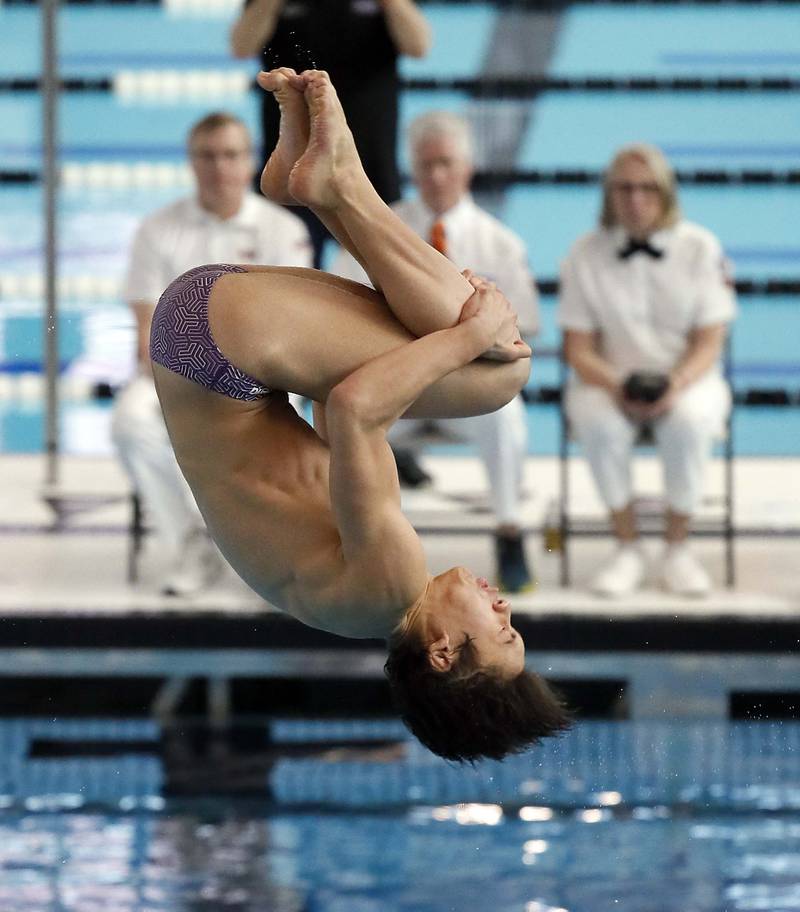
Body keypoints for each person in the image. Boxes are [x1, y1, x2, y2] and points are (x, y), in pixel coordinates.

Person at [151, 68, 570, 761]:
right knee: (468, 351)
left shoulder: (395, 582)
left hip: (224, 345)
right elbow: (323, 414)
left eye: (503, 631)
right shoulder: (354, 607)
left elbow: (351, 408)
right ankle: (316, 188)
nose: (505, 606)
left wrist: (465, 337)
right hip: (201, 339)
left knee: (500, 370)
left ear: (441, 653)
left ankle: (337, 189)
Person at [332, 110, 539, 593]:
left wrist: (478, 344)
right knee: (333, 408)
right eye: (426, 165)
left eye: (446, 163)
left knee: (507, 416)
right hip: (394, 390)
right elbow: (338, 305)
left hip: (464, 390)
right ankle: (340, 540)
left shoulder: (500, 244)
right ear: (413, 168)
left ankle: (509, 530)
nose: (437, 176)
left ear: (467, 168)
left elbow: (526, 329)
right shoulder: (378, 231)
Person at [111, 111, 312, 596]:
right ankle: (196, 539)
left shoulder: (282, 231)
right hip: (173, 379)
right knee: (130, 420)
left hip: (263, 382)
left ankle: (269, 545)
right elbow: (146, 333)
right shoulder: (158, 231)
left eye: (230, 155)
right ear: (191, 162)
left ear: (249, 163)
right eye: (208, 156)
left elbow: (296, 329)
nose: (219, 167)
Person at [558, 143, 736, 598]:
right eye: (624, 188)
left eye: (646, 188)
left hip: (688, 378)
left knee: (690, 421)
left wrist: (674, 385)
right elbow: (578, 350)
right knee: (597, 422)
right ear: (609, 195)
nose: (636, 199)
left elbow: (710, 340)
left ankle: (678, 548)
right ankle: (627, 547)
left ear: (666, 193)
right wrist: (619, 385)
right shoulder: (583, 253)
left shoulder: (700, 247)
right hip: (608, 378)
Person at [230, 0, 431, 266]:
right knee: (288, 280)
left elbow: (419, 46)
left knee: (382, 274)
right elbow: (241, 46)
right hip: (292, 166)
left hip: (369, 165)